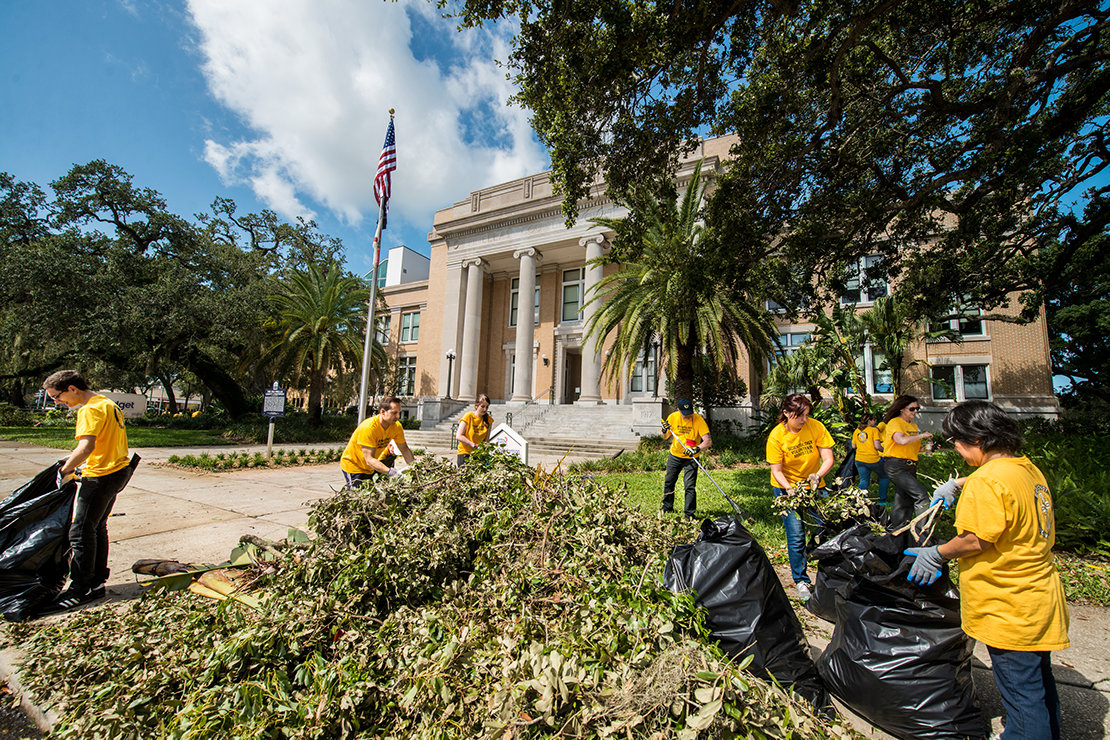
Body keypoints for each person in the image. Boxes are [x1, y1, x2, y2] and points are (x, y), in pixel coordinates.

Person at [905, 401, 1069, 739]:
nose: (958, 451)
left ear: (976, 439)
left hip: (1008, 605)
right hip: (1038, 599)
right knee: (1038, 684)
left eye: (957, 443)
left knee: (1021, 700)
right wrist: (960, 483)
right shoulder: (1026, 469)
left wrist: (937, 552)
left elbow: (975, 541)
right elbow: (998, 480)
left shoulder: (987, 483)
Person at [41, 370, 132, 610]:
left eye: (56, 397)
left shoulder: (90, 408)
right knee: (96, 527)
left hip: (101, 476)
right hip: (118, 471)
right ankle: (96, 583)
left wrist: (66, 470)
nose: (57, 402)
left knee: (80, 531)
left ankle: (79, 589)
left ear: (72, 388)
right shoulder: (107, 403)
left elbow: (86, 446)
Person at [766, 393, 835, 600]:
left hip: (815, 486)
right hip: (786, 488)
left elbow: (828, 458)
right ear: (786, 413)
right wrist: (789, 488)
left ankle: (830, 573)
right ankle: (801, 581)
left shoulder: (816, 427)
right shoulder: (777, 436)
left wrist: (817, 476)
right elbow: (776, 471)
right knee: (796, 535)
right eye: (799, 415)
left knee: (827, 527)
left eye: (806, 415)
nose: (804, 420)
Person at [340, 396, 415, 488]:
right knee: (356, 495)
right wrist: (390, 472)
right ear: (382, 412)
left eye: (399, 413)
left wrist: (415, 468)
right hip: (354, 467)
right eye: (394, 413)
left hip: (371, 468)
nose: (398, 416)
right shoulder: (369, 428)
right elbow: (369, 459)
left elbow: (405, 450)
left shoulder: (396, 427)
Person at [882, 394, 933, 527]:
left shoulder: (913, 426)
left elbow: (912, 449)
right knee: (921, 495)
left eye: (918, 409)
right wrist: (922, 435)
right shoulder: (895, 422)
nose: (915, 411)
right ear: (902, 409)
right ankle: (922, 533)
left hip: (910, 465)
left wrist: (926, 448)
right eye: (912, 409)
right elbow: (901, 440)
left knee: (904, 500)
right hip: (896, 466)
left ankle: (897, 531)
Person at [660, 398, 711, 517]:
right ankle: (667, 507)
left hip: (691, 457)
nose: (687, 416)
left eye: (689, 414)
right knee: (669, 481)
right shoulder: (673, 417)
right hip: (675, 455)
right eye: (684, 414)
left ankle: (689, 513)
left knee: (689, 486)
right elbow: (665, 436)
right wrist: (664, 430)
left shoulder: (698, 420)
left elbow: (708, 441)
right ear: (678, 410)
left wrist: (697, 449)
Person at [851, 412, 889, 504]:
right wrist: (885, 450)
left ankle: (860, 500)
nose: (875, 422)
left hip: (859, 459)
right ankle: (882, 500)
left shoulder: (857, 431)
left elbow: (853, 446)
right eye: (874, 420)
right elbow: (877, 446)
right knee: (884, 476)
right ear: (869, 420)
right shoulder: (873, 430)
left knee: (864, 479)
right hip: (872, 459)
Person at [456, 393, 493, 467]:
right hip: (465, 453)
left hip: (478, 454)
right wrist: (473, 445)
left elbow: (486, 440)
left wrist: (485, 451)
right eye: (482, 407)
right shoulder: (468, 416)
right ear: (476, 406)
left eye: (487, 407)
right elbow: (459, 436)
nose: (485, 409)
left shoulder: (489, 420)